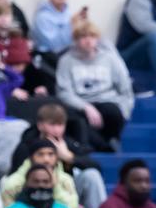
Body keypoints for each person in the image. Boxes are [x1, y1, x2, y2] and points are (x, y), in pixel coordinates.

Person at [4, 107, 107, 208]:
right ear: (40, 125)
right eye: (52, 125)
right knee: (5, 182)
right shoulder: (26, 145)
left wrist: (68, 157)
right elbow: (15, 175)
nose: (57, 130)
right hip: (32, 188)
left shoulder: (66, 142)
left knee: (91, 175)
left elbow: (95, 165)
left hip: (67, 189)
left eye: (60, 125)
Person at [56, 21, 134, 151]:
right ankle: (105, 146)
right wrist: (86, 107)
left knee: (113, 112)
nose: (88, 41)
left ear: (97, 39)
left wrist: (124, 111)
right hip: (80, 104)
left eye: (92, 37)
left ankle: (105, 143)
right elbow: (64, 92)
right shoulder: (66, 61)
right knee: (73, 118)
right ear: (76, 40)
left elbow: (125, 88)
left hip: (108, 103)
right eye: (83, 37)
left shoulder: (110, 58)